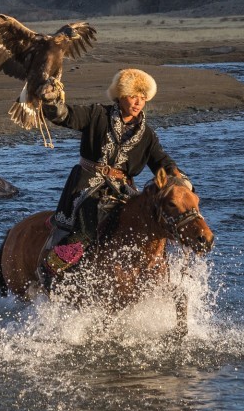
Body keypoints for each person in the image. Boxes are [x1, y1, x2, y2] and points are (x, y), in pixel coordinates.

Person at [36, 68, 186, 285]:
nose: (138, 102)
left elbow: (161, 161)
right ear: (120, 96)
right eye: (133, 96)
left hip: (123, 189)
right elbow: (66, 116)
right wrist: (51, 102)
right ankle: (51, 270)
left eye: (143, 98)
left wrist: (179, 180)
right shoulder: (97, 114)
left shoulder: (147, 134)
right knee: (84, 233)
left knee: (151, 223)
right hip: (88, 185)